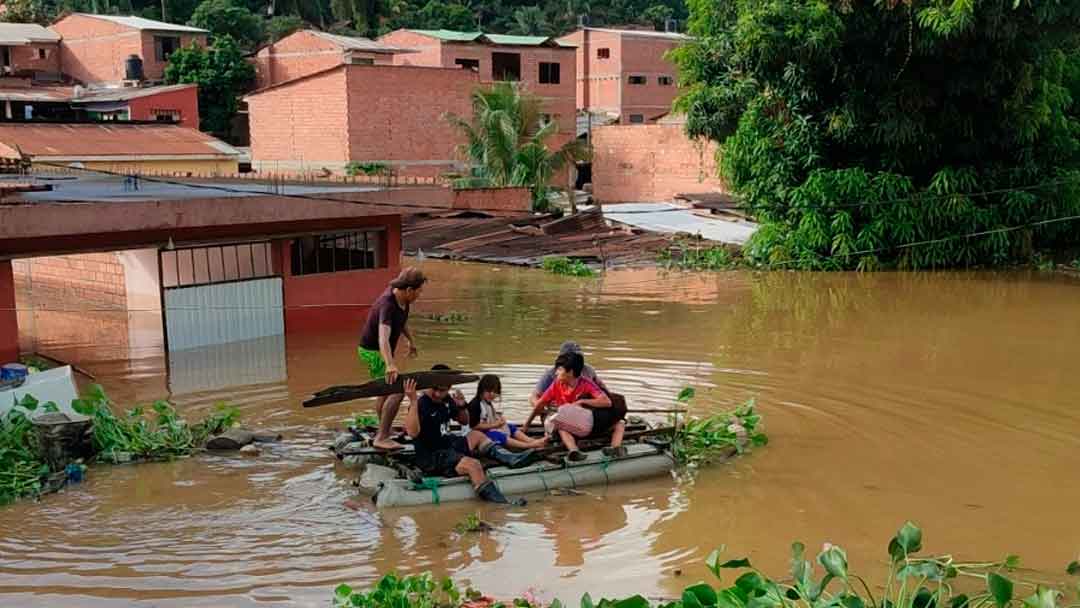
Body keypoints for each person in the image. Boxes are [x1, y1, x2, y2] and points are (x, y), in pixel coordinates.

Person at [403, 371, 533, 505]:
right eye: (434, 389)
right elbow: (412, 433)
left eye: (442, 390)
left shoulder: (446, 399)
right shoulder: (421, 403)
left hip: (447, 445)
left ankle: (511, 459)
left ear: (449, 387)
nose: (437, 394)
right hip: (432, 456)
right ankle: (502, 504)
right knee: (474, 465)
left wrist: (462, 405)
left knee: (477, 435)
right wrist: (413, 401)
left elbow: (464, 421)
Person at [358, 267, 426, 450]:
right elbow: (383, 338)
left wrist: (411, 341)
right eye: (419, 291)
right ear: (409, 289)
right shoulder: (387, 304)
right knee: (398, 389)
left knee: (385, 392)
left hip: (381, 351)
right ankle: (382, 437)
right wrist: (390, 364)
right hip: (373, 352)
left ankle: (384, 430)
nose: (420, 295)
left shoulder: (404, 300)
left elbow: (401, 322)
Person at [524, 352, 625, 461]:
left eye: (560, 369)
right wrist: (526, 426)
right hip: (573, 427)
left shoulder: (586, 384)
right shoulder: (557, 385)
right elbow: (539, 405)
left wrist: (582, 401)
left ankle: (615, 448)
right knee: (562, 427)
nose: (556, 373)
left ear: (570, 372)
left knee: (620, 423)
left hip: (587, 424)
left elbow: (606, 402)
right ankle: (574, 451)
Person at [467, 374, 546, 451]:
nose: (492, 394)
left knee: (510, 427)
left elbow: (490, 417)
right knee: (497, 435)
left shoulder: (487, 402)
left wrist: (499, 421)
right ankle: (528, 445)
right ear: (481, 389)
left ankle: (530, 441)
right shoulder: (475, 404)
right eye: (489, 391)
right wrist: (495, 425)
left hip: (487, 429)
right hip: (477, 435)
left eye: (495, 392)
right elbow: (474, 426)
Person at [528, 341, 609, 411]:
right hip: (556, 410)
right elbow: (534, 396)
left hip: (581, 411)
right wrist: (540, 408)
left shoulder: (588, 370)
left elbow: (602, 387)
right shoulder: (551, 373)